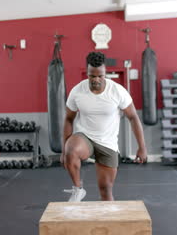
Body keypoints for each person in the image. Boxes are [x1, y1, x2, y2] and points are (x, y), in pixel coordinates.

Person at [61, 51, 147, 202]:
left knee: (106, 191)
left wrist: (142, 147)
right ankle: (77, 189)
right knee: (72, 148)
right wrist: (64, 150)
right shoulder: (77, 91)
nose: (96, 80)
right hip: (85, 137)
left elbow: (133, 117)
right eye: (92, 76)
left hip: (108, 143)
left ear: (105, 73)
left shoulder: (117, 91)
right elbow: (68, 119)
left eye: (100, 76)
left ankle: (109, 223)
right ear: (87, 73)